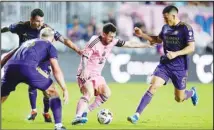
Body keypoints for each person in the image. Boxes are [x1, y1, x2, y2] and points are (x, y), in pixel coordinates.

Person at [1, 8, 80, 122]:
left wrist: (77, 49)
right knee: (35, 86)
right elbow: (7, 28)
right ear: (31, 19)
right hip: (24, 59)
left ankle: (46, 112)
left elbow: (64, 40)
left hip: (41, 61)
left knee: (46, 90)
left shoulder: (47, 29)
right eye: (37, 21)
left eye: (42, 21)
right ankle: (36, 111)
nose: (40, 24)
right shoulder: (21, 26)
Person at [127, 5, 199, 124]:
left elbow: (191, 48)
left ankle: (191, 92)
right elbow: (157, 40)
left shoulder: (186, 28)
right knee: (153, 86)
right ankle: (136, 115)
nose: (164, 20)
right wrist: (142, 35)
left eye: (166, 18)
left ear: (174, 16)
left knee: (179, 98)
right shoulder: (165, 27)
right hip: (165, 64)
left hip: (180, 67)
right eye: (163, 18)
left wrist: (176, 54)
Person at [71, 23, 152, 125]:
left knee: (106, 93)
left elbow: (129, 44)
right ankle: (77, 117)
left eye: (114, 36)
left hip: (96, 74)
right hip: (86, 72)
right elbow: (85, 56)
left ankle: (86, 112)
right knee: (89, 93)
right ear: (103, 34)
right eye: (110, 36)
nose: (112, 38)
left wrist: (146, 45)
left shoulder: (113, 41)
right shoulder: (94, 41)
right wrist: (83, 70)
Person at [1, 27, 68, 130]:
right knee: (53, 92)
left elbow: (6, 57)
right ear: (53, 38)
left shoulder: (27, 42)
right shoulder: (49, 46)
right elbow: (56, 70)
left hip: (10, 67)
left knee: (3, 95)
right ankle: (58, 125)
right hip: (27, 68)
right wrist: (64, 88)